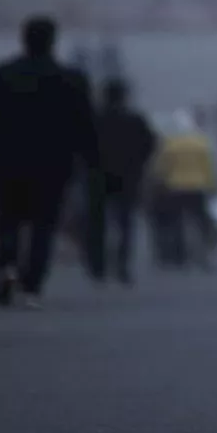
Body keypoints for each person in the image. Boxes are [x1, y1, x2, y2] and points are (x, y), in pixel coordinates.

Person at [0, 16, 99, 308]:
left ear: (23, 39)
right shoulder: (72, 79)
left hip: (8, 163)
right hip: (54, 165)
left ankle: (7, 268)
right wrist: (92, 161)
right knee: (43, 225)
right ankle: (31, 285)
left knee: (8, 219)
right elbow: (85, 125)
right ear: (53, 41)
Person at [92, 78, 158, 286]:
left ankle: (99, 266)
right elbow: (150, 144)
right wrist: (138, 164)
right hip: (128, 177)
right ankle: (122, 266)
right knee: (125, 224)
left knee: (98, 223)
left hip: (99, 177)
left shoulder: (95, 120)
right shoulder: (135, 120)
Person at [150, 110, 217, 270]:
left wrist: (158, 184)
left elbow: (160, 167)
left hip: (175, 187)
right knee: (201, 223)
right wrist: (213, 185)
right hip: (198, 187)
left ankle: (179, 257)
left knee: (177, 223)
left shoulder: (169, 144)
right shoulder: (201, 143)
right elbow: (209, 167)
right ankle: (203, 255)